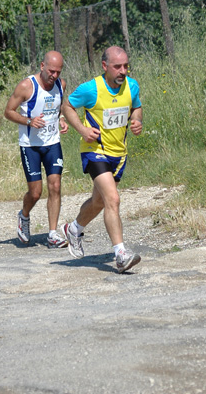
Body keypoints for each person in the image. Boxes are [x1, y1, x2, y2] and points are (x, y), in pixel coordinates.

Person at [61, 45, 143, 273]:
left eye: (126, 66)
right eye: (118, 66)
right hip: (94, 150)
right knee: (113, 200)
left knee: (100, 202)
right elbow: (67, 106)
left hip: (119, 153)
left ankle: (74, 229)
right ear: (105, 66)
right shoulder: (91, 89)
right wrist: (82, 130)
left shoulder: (131, 86)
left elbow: (136, 107)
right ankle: (121, 254)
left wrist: (137, 121)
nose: (123, 71)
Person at [4, 50, 69, 248]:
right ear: (42, 66)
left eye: (58, 72)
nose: (54, 76)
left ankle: (52, 234)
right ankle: (24, 216)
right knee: (35, 192)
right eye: (51, 71)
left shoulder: (61, 84)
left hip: (52, 143)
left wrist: (62, 119)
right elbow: (8, 112)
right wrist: (29, 121)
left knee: (55, 186)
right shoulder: (26, 86)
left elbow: (59, 106)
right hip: (30, 145)